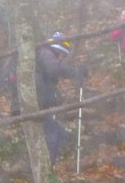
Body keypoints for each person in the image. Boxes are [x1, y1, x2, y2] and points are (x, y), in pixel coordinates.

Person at [36, 32, 87, 165]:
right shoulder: (45, 53)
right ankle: (47, 168)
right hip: (34, 105)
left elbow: (47, 84)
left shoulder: (40, 55)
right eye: (62, 55)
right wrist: (73, 72)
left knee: (58, 134)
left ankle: (48, 166)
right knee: (54, 135)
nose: (61, 59)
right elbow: (53, 69)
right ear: (58, 49)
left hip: (36, 104)